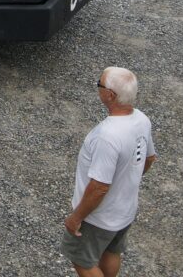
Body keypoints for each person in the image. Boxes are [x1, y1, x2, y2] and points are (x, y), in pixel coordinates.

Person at [62, 67, 156, 277]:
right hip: (125, 211)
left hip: (98, 218)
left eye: (100, 84)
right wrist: (127, 179)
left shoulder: (107, 136)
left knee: (81, 260)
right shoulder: (142, 119)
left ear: (110, 95)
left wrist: (76, 217)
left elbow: (99, 187)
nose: (97, 87)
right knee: (111, 250)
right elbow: (149, 158)